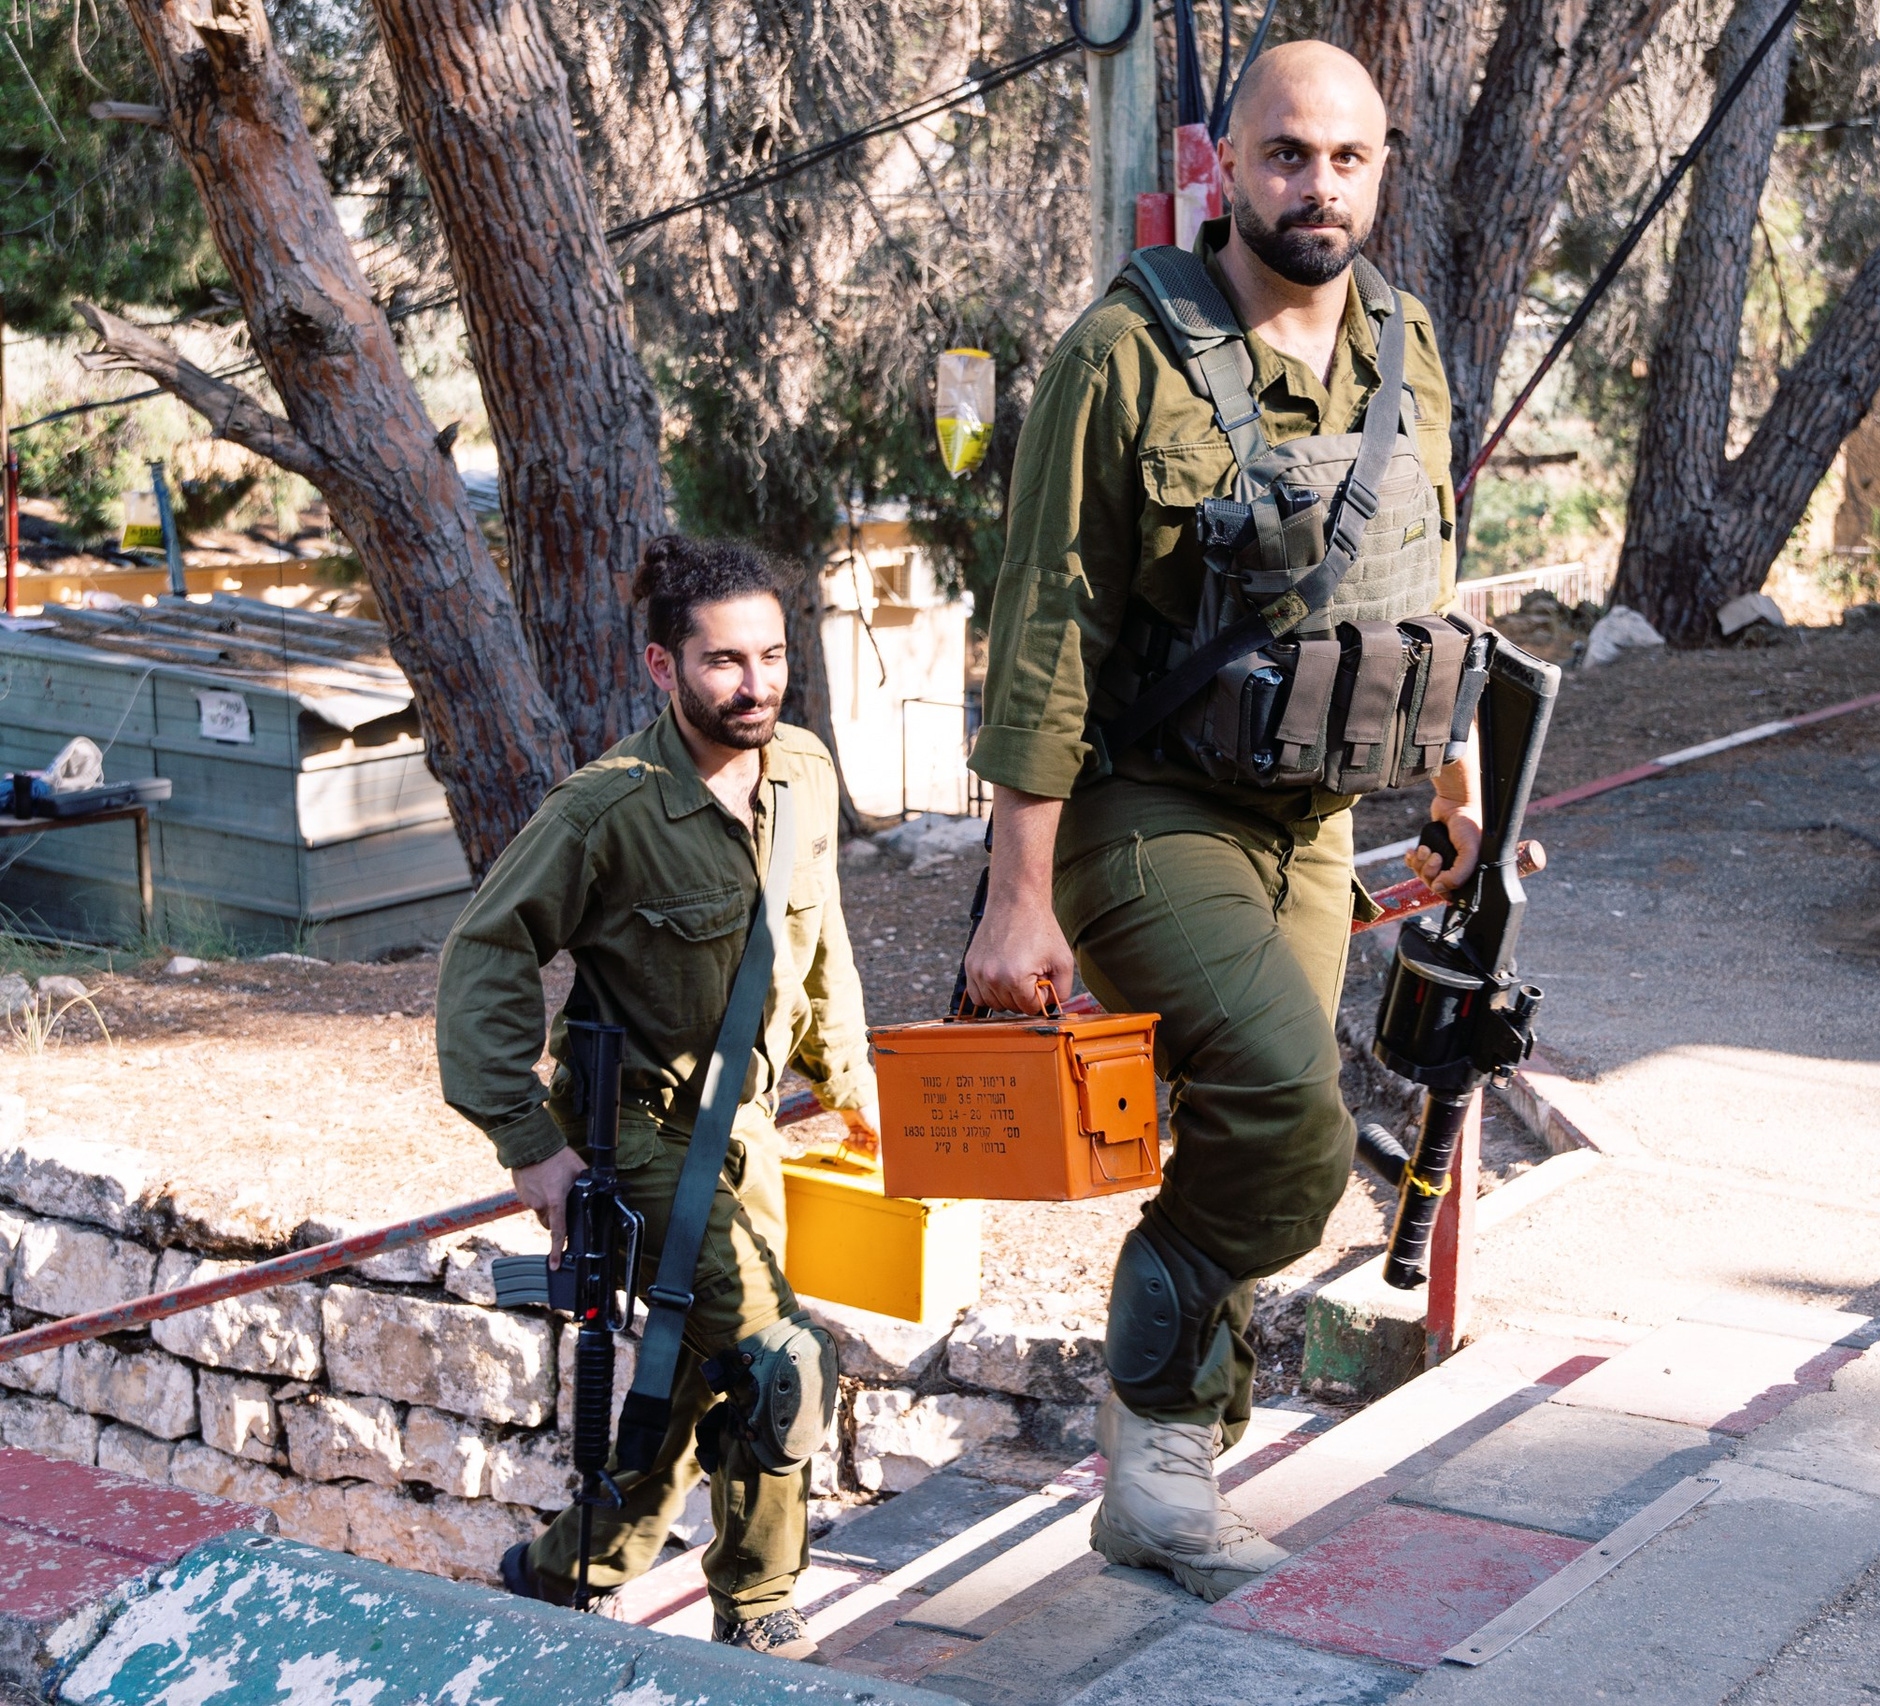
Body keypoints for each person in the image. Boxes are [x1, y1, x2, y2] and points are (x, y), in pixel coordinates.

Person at [963, 39, 1482, 1601]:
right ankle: (1157, 1462)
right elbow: (1045, 623)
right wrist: (1017, 894)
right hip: (1143, 807)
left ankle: (1178, 1439)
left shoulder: (1409, 341)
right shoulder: (1119, 353)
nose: (1314, 186)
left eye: (1345, 158)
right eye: (1283, 155)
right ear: (1225, 164)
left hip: (1311, 818)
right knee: (1288, 1109)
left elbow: (1430, 566)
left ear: (1382, 165)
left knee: (1270, 1125)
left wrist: (1452, 769)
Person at [435, 535, 877, 1658]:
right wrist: (530, 1145)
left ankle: (560, 1567)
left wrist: (853, 1080)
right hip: (636, 1135)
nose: (756, 683)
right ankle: (758, 1609)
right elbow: (485, 955)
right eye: (724, 660)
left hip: (747, 1138)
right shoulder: (606, 809)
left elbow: (819, 941)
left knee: (685, 1378)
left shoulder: (806, 771)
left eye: (771, 654)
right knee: (784, 1361)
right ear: (659, 665)